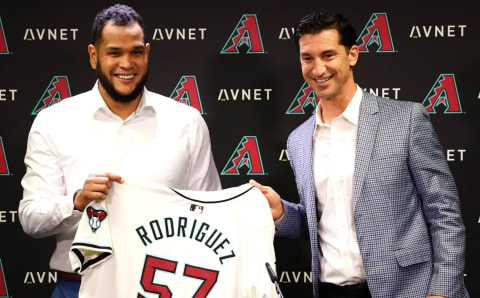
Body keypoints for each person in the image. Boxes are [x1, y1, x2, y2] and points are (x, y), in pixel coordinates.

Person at [250, 11, 469, 298]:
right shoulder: (299, 140)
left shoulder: (407, 120)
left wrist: (441, 291)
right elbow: (324, 221)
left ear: (352, 54)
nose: (318, 69)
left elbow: (445, 214)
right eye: (308, 58)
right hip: (331, 291)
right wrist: (282, 212)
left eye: (328, 55)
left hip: (407, 290)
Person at [18, 4, 221, 297]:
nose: (127, 63)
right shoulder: (53, 122)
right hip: (78, 287)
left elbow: (208, 214)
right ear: (93, 56)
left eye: (136, 52)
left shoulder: (187, 122)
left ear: (147, 52)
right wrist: (77, 201)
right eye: (114, 53)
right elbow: (31, 217)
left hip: (166, 287)